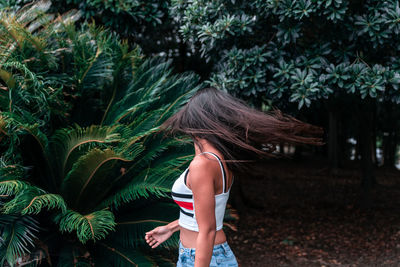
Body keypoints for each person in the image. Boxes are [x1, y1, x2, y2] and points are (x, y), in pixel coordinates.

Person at [145, 87, 324, 266]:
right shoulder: (218, 160)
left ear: (198, 120)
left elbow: (207, 230)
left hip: (202, 258)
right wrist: (170, 228)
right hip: (202, 255)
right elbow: (202, 215)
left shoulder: (203, 164)